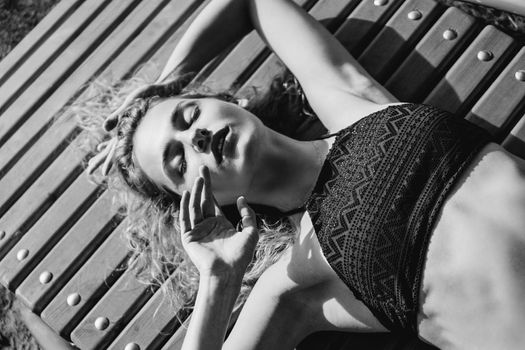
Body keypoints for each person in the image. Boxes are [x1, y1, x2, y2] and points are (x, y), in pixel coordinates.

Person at [79, 0, 525, 349]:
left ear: (221, 99)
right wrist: (218, 283)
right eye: (179, 162)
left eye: (189, 114)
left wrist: (164, 87)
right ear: (194, 203)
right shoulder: (293, 280)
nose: (195, 137)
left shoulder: (350, 102)